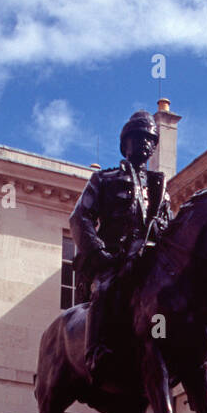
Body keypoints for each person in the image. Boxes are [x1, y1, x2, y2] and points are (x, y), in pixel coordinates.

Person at [69, 109, 172, 379]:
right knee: (103, 289)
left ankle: (185, 358)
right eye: (137, 138)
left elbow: (169, 228)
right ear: (125, 144)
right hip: (115, 257)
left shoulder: (160, 189)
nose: (144, 143)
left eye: (149, 138)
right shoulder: (103, 179)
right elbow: (80, 217)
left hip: (149, 260)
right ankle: (94, 352)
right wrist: (99, 252)